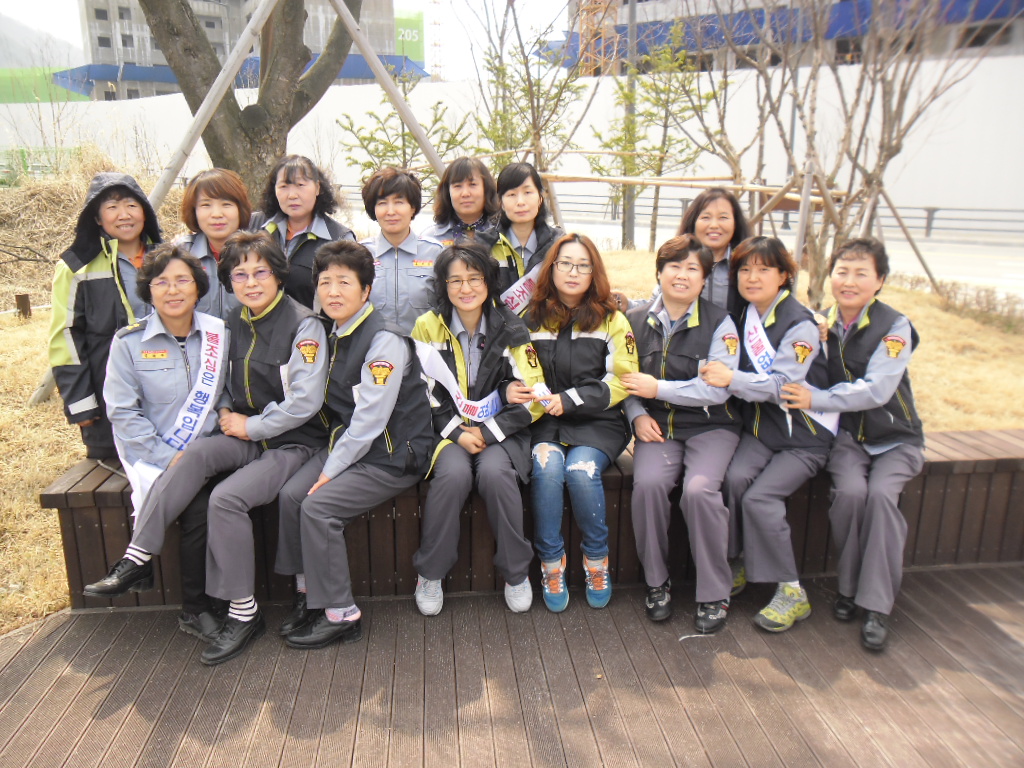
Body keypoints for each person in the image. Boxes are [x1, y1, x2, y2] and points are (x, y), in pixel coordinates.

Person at [83, 231, 329, 666]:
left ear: (278, 275)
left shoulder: (303, 324)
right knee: (195, 455)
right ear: (227, 281)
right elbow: (222, 387)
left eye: (260, 272)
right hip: (242, 436)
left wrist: (250, 425)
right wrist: (230, 413)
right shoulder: (231, 322)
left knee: (225, 498)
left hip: (292, 443)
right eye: (240, 274)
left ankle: (243, 612)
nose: (251, 282)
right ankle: (137, 557)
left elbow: (305, 402)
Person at [275, 240, 434, 649]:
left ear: (366, 290)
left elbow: (369, 422)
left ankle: (341, 614)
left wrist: (329, 472)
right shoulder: (334, 332)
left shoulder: (384, 340)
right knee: (291, 496)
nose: (333, 292)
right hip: (354, 445)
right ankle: (309, 593)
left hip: (394, 454)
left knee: (318, 507)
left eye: (344, 282)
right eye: (325, 282)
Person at [781, 237, 924, 651]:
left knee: (880, 497)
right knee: (849, 495)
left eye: (862, 273)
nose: (849, 281)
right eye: (842, 271)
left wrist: (816, 399)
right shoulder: (819, 323)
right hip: (848, 438)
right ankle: (848, 588)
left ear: (880, 281)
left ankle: (876, 606)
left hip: (896, 439)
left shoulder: (895, 327)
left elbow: (877, 389)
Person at [701, 236, 836, 633]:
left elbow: (782, 386)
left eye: (764, 269)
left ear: (784, 275)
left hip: (805, 436)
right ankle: (739, 560)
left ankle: (792, 591)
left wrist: (730, 378)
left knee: (760, 498)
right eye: (745, 269)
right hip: (763, 431)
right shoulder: (745, 314)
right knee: (733, 478)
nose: (752, 277)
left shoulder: (801, 324)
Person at [410, 241, 547, 616]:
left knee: (496, 474)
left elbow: (535, 396)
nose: (465, 288)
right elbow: (419, 393)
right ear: (444, 285)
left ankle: (516, 573)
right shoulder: (427, 326)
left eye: (474, 278)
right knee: (453, 475)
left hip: (500, 432)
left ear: (488, 281)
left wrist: (486, 433)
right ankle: (430, 573)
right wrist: (458, 433)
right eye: (455, 280)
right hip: (446, 431)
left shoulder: (511, 326)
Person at [103, 245, 230, 640]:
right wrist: (167, 456)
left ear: (198, 287)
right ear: (149, 290)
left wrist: (224, 417)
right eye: (161, 282)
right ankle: (195, 608)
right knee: (198, 507)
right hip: (154, 455)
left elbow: (228, 393)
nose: (173, 290)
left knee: (222, 500)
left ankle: (220, 599)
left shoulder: (219, 335)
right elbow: (123, 412)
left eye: (182, 281)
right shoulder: (129, 343)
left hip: (213, 452)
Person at [622, 235, 742, 631]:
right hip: (658, 428)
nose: (682, 275)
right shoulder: (635, 320)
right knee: (648, 485)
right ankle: (657, 583)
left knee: (699, 491)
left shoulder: (721, 323)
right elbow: (622, 380)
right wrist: (637, 415)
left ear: (704, 279)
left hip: (711, 426)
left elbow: (717, 389)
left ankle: (714, 591)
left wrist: (658, 389)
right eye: (674, 266)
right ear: (659, 272)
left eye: (693, 268)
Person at [524, 233, 638, 612]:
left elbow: (622, 378)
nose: (573, 272)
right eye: (565, 264)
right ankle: (551, 564)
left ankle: (596, 560)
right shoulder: (531, 318)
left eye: (583, 265)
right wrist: (541, 396)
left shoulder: (613, 320)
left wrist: (571, 399)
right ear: (551, 269)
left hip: (597, 420)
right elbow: (523, 370)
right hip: (545, 420)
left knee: (581, 471)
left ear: (594, 272)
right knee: (546, 469)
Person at [48, 172, 162, 459]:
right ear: (97, 218)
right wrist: (81, 403)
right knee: (112, 470)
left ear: (145, 213)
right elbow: (65, 337)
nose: (124, 215)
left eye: (132, 205)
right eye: (112, 207)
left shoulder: (166, 258)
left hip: (165, 388)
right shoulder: (76, 267)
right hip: (107, 390)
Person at [617, 187, 749, 320]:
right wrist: (629, 305)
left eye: (723, 217)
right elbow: (656, 306)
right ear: (693, 221)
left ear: (735, 223)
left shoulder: (744, 266)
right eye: (706, 217)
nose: (714, 225)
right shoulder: (676, 260)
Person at [251, 155, 355, 309]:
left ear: (318, 188)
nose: (292, 195)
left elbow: (349, 296)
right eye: (283, 186)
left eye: (300, 185)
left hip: (312, 323)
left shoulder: (339, 238)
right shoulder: (255, 225)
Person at [360, 166, 443, 332]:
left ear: (412, 207)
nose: (391, 211)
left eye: (399, 202)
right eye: (382, 203)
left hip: (424, 346)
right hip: (375, 346)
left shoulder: (435, 252)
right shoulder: (361, 254)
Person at [484, 162, 565, 313]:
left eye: (528, 192)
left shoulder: (559, 245)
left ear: (540, 198)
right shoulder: (485, 246)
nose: (520, 202)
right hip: (500, 328)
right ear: (501, 202)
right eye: (511, 194)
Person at [178, 168, 253, 319]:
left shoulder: (259, 252)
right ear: (194, 211)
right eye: (206, 205)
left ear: (240, 209)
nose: (217, 214)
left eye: (226, 204)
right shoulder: (180, 255)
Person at [422, 157, 500, 246]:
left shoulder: (504, 234)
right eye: (457, 186)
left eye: (472, 184)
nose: (465, 193)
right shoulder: (429, 240)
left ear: (486, 189)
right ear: (447, 192)